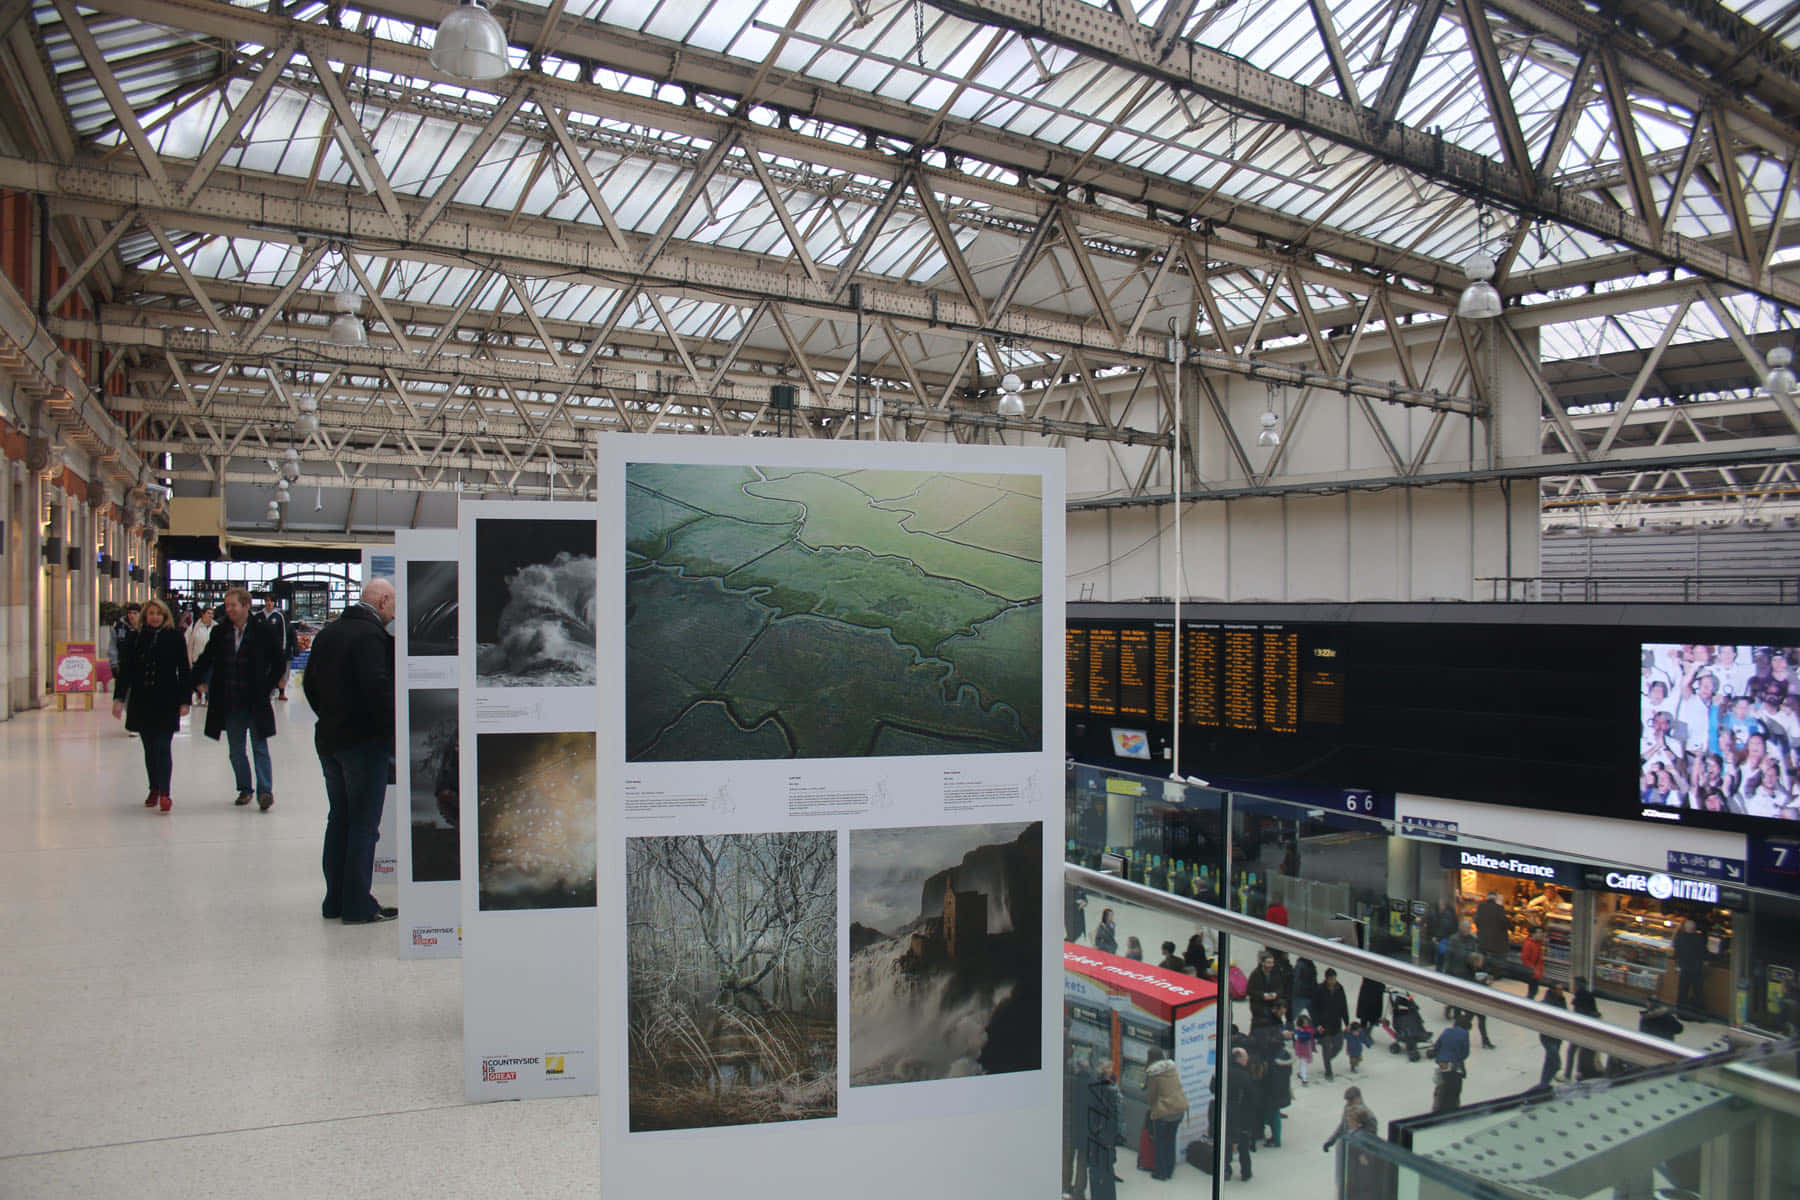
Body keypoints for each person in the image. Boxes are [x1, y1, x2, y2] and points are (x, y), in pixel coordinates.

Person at [302, 578, 398, 925]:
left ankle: (336, 900)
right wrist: (393, 732)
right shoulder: (371, 637)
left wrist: (331, 716)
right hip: (363, 743)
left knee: (339, 819)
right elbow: (378, 690)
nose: (394, 614)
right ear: (384, 601)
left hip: (328, 739)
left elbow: (310, 684)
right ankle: (358, 904)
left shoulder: (328, 634)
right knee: (363, 825)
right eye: (394, 606)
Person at [191, 587, 285, 809]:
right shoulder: (220, 632)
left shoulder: (263, 631)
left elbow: (278, 661)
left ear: (246, 606)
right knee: (236, 750)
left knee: (260, 747)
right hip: (231, 701)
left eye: (233, 605)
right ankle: (245, 788)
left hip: (255, 700)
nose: (229, 609)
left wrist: (269, 685)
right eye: (227, 605)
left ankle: (265, 791)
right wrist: (193, 681)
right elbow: (206, 659)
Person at [110, 598, 191, 812]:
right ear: (145, 615)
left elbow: (184, 669)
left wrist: (185, 700)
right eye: (151, 613)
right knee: (150, 748)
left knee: (163, 747)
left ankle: (165, 792)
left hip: (166, 700)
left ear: (165, 617)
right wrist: (118, 699)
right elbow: (125, 671)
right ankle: (154, 786)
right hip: (142, 700)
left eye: (159, 614)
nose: (155, 617)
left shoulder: (174, 637)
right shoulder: (135, 638)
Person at [1143, 1047, 1188, 1181]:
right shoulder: (1171, 1068)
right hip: (1179, 1108)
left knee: (1160, 1142)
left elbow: (1152, 1095)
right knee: (1170, 1140)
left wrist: (1151, 1107)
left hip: (1164, 1112)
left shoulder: (1153, 1073)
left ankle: (1160, 1173)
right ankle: (1169, 1170)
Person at [1081, 1062, 1121, 1200]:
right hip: (1100, 1137)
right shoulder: (1100, 1089)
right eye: (1108, 1068)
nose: (1110, 1070)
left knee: (1103, 1170)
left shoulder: (1108, 1088)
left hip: (1103, 1137)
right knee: (1100, 1170)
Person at [1223, 1046, 1255, 1181]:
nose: (1247, 1060)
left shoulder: (1222, 1071)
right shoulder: (1244, 1075)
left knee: (1225, 1143)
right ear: (1239, 1059)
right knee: (1243, 1144)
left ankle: (1225, 1171)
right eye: (1245, 1058)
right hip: (1241, 1114)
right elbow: (1251, 1097)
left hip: (1225, 1113)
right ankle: (1246, 1172)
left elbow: (1213, 1088)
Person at [108, 602, 141, 733]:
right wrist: (114, 663)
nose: (132, 616)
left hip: (140, 667)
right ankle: (132, 721)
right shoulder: (119, 627)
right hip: (124, 666)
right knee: (127, 694)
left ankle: (137, 720)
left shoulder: (144, 627)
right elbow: (113, 646)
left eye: (135, 613)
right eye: (130, 613)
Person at [254, 592, 293, 701]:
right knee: (263, 671)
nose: (269, 603)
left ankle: (281, 692)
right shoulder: (258, 616)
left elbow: (284, 633)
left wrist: (283, 649)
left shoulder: (279, 616)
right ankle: (264, 692)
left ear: (274, 603)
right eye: (267, 601)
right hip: (261, 650)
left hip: (275, 650)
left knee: (278, 671)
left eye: (271, 601)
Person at [1430, 1013, 1471, 1112]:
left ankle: (1436, 1107)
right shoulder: (1464, 1034)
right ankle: (1451, 1108)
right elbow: (1465, 1053)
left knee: (1441, 1085)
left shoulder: (1447, 1031)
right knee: (1454, 1087)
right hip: (1454, 1064)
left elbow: (1436, 1046)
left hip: (1442, 1063)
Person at [1314, 968, 1349, 1081]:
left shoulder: (1339, 988)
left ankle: (1327, 1060)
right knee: (1326, 1047)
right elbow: (1314, 1008)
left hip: (1336, 1023)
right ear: (1327, 979)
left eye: (1334, 978)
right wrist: (1317, 1024)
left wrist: (1346, 1022)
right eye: (1331, 979)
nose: (1333, 981)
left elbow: (1344, 1006)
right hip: (1324, 1024)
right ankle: (1328, 1070)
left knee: (1338, 1045)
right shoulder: (1320, 989)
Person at [1564, 976, 1601, 1081]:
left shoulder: (1579, 997)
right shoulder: (1589, 996)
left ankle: (1569, 1074)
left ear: (1578, 985)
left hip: (1580, 1029)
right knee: (1581, 1053)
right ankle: (1578, 1074)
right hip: (1587, 1029)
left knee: (1572, 1051)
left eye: (1575, 984)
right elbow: (1596, 1012)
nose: (1573, 986)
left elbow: (1579, 1013)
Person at [1672, 918, 1706, 1018]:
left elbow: (1676, 950)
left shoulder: (1680, 937)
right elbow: (1703, 952)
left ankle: (1680, 1013)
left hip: (1684, 967)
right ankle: (1699, 1014)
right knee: (1698, 991)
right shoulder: (1698, 938)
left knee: (1682, 991)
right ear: (1694, 928)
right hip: (1696, 967)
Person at [1538, 982, 1567, 1088]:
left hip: (1557, 1035)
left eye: (1562, 989)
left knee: (1549, 1059)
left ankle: (1543, 1083)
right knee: (1555, 1061)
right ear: (1553, 990)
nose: (1561, 991)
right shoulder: (1546, 1003)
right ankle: (1544, 1083)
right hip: (1548, 1036)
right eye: (1559, 989)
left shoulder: (1561, 1000)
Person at [184, 605, 214, 704]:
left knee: (209, 680)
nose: (210, 616)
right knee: (198, 681)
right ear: (203, 614)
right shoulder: (193, 628)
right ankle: (199, 695)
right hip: (196, 659)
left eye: (212, 614)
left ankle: (208, 698)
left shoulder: (216, 627)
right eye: (208, 613)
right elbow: (188, 643)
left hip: (211, 661)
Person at [1247, 952, 1283, 1028]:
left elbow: (1280, 988)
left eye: (1272, 963)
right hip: (1259, 1006)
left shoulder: (1276, 973)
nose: (1271, 965)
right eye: (1268, 963)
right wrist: (1262, 995)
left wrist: (1275, 994)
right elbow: (1250, 990)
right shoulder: (1255, 974)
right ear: (1263, 963)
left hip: (1273, 1004)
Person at [1520, 924, 1546, 1001]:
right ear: (1533, 934)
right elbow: (1524, 959)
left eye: (1542, 932)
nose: (1541, 934)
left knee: (1534, 991)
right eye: (1539, 932)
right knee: (1532, 991)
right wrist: (1533, 969)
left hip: (1536, 972)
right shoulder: (1529, 944)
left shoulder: (1538, 943)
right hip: (1533, 972)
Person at [1293, 1011, 1315, 1085]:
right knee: (1303, 1062)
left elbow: (1301, 1037)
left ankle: (1301, 1073)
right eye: (1304, 1023)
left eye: (1307, 1022)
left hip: (1306, 1048)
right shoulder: (1300, 1030)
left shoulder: (1308, 1030)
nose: (1306, 1024)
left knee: (1303, 1062)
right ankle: (1304, 1078)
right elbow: (1298, 1037)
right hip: (1302, 1049)